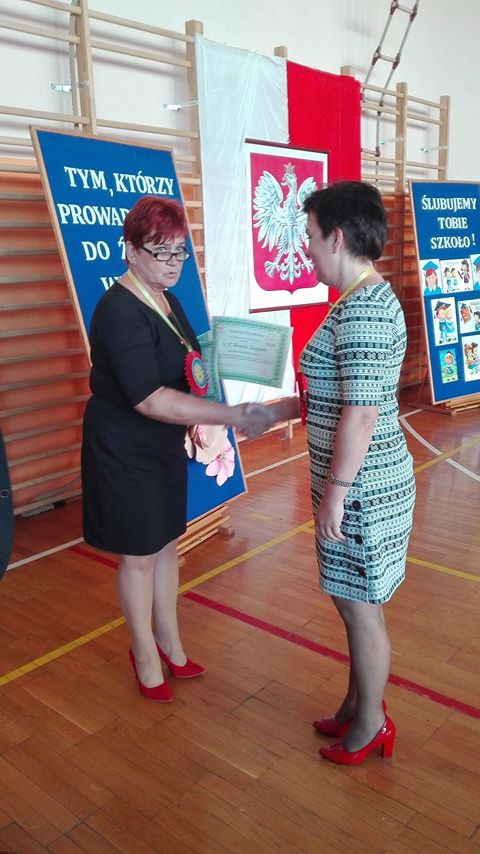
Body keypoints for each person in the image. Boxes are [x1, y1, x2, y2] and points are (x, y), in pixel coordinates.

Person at [81, 195, 272, 702]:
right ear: (130, 250)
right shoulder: (119, 309)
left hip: (163, 442)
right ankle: (143, 651)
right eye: (160, 251)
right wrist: (231, 415)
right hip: (124, 446)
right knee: (139, 555)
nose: (173, 263)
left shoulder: (167, 298)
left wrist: (238, 354)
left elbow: (190, 364)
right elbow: (148, 397)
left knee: (167, 544)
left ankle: (170, 642)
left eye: (180, 251)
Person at [271, 181, 415, 766]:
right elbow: (339, 396)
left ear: (335, 237)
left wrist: (336, 495)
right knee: (354, 601)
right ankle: (359, 703)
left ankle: (372, 724)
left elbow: (361, 413)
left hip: (362, 490)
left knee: (360, 608)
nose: (305, 247)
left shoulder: (365, 309)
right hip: (357, 482)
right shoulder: (358, 299)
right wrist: (276, 411)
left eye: (309, 236)